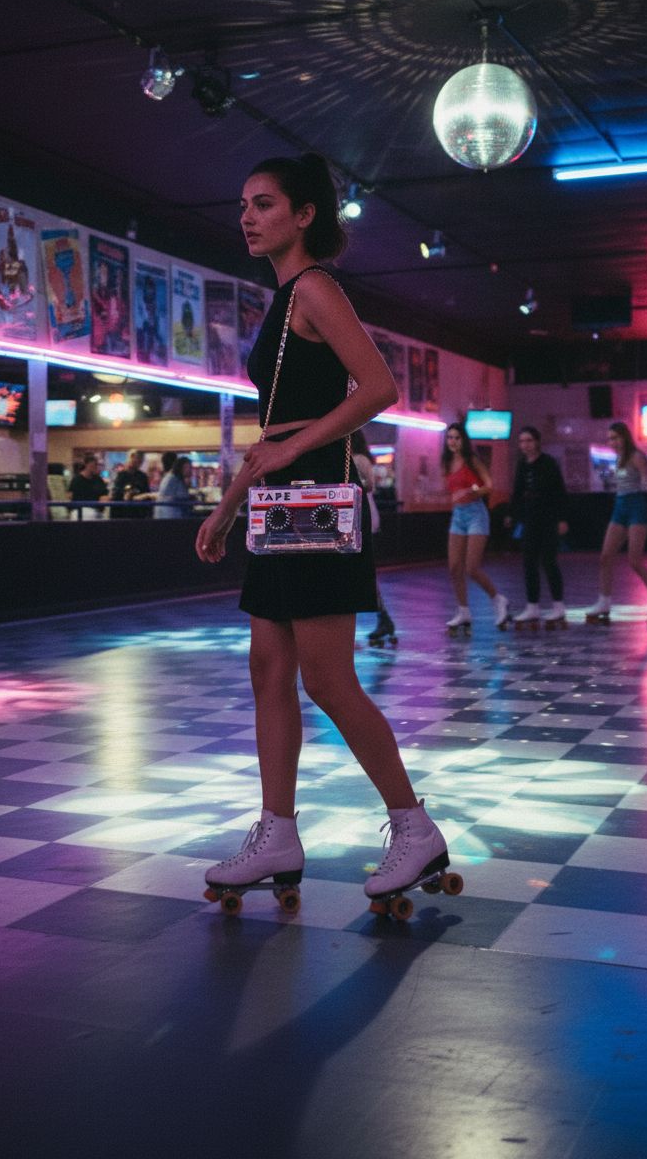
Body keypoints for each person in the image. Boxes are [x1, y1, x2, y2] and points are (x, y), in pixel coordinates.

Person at [195, 152, 449, 906]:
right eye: (243, 203)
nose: (248, 216)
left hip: (313, 498)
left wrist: (290, 453)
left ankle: (413, 827)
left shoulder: (314, 287)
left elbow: (378, 387)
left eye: (265, 203)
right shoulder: (281, 299)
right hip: (278, 500)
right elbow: (276, 425)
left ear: (304, 215)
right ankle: (277, 832)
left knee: (326, 677)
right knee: (269, 673)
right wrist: (229, 502)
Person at [586, 420, 647, 622]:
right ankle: (604, 600)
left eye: (615, 438)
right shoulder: (618, 458)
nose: (612, 442)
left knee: (634, 560)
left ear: (624, 437)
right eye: (609, 439)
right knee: (605, 556)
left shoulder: (635, 456)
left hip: (636, 508)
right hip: (620, 507)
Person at [442, 422, 509, 630]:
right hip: (458, 515)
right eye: (450, 438)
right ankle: (463, 611)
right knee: (454, 566)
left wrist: (470, 492)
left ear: (464, 440)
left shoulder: (472, 460)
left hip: (476, 513)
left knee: (471, 567)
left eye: (457, 438)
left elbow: (488, 485)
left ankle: (498, 599)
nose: (452, 442)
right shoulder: (447, 462)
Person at [508, 426, 569, 626]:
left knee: (549, 561)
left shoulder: (548, 463)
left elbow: (559, 491)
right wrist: (513, 515)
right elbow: (517, 492)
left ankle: (558, 606)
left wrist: (561, 519)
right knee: (528, 562)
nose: (525, 445)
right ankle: (532, 606)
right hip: (529, 519)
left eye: (529, 441)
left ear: (537, 442)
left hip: (548, 518)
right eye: (522, 441)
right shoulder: (521, 465)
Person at [351, 428, 396, 646]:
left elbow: (370, 485)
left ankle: (382, 617)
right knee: (361, 570)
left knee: (360, 570)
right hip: (358, 515)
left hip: (362, 515)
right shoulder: (355, 458)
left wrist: (351, 484)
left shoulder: (359, 459)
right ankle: (383, 617)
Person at [152, 452, 194, 519]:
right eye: (187, 467)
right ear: (180, 467)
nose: (189, 470)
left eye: (190, 467)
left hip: (167, 514)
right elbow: (175, 496)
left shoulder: (174, 478)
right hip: (169, 515)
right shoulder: (172, 479)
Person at [111, 450, 150, 518]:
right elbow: (115, 494)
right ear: (130, 458)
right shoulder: (120, 475)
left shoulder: (142, 477)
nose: (138, 464)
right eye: (136, 460)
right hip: (122, 513)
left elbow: (146, 493)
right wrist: (124, 495)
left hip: (138, 513)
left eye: (140, 462)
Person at [69, 454, 109, 520]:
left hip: (96, 511)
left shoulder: (98, 480)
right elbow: (70, 496)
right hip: (80, 510)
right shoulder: (77, 480)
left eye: (96, 465)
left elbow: (104, 495)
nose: (95, 468)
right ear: (86, 465)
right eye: (93, 466)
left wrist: (105, 499)